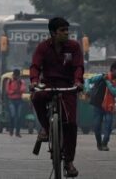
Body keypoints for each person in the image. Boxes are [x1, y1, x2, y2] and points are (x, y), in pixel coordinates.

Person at [30, 17, 83, 178]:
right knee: (36, 97)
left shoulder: (74, 47)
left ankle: (68, 162)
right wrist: (33, 81)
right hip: (48, 84)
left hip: (68, 86)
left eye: (67, 30)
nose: (66, 33)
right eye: (62, 31)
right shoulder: (43, 47)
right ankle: (46, 128)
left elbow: (78, 67)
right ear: (53, 33)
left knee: (71, 124)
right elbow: (35, 66)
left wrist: (78, 81)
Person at [87, 61, 116, 151]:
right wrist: (87, 90)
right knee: (96, 126)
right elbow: (88, 80)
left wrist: (107, 81)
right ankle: (99, 144)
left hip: (109, 107)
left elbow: (114, 91)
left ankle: (104, 143)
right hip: (98, 106)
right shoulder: (101, 76)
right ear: (113, 70)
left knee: (108, 126)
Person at [6, 68, 26, 137]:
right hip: (11, 100)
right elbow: (8, 91)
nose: (16, 76)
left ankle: (17, 132)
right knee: (13, 115)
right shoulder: (9, 81)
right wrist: (14, 91)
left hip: (19, 100)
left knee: (19, 116)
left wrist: (16, 89)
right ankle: (11, 130)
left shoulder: (21, 81)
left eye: (17, 75)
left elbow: (23, 89)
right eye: (15, 75)